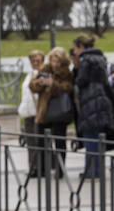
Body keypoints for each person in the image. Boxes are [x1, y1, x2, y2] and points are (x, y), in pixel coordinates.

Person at [71, 35, 114, 179]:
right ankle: (97, 170)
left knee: (90, 139)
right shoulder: (101, 59)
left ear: (81, 47)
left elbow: (81, 81)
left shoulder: (85, 60)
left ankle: (92, 171)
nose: (75, 52)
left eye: (75, 48)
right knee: (98, 140)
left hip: (90, 102)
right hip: (102, 102)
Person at [33, 47, 76, 177]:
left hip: (59, 113)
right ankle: (41, 169)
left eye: (57, 61)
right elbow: (32, 85)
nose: (55, 64)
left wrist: (53, 84)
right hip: (43, 112)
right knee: (41, 142)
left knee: (59, 142)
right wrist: (40, 82)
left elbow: (68, 88)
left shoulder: (67, 73)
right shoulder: (45, 70)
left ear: (62, 62)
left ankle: (60, 169)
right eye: (53, 61)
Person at [18, 49, 46, 177]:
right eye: (33, 60)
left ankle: (39, 168)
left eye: (38, 60)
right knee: (30, 142)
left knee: (37, 142)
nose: (35, 63)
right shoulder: (29, 74)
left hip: (38, 113)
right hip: (28, 113)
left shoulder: (42, 74)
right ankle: (33, 167)